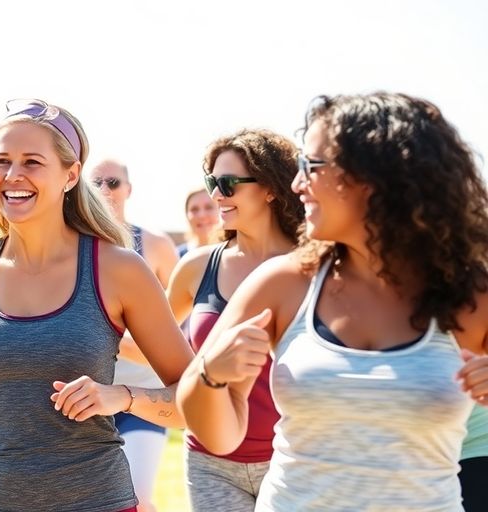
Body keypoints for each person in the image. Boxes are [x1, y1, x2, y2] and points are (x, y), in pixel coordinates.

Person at [176, 92, 488, 511]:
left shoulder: (467, 293)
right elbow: (218, 436)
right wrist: (212, 376)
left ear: (374, 176)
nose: (296, 183)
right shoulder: (283, 282)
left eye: (312, 166)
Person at [0, 99, 194, 512]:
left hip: (97, 502)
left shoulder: (118, 270)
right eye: (2, 161)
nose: (12, 176)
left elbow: (194, 400)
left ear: (71, 175)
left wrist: (123, 396)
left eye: (32, 162)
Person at [165, 129, 303, 511]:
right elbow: (151, 341)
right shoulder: (196, 267)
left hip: (293, 459)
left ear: (271, 188)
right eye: (212, 182)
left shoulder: (315, 268)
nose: (215, 195)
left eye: (227, 183)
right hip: (210, 461)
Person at [89, 158, 180, 512]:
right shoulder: (75, 247)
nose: (104, 191)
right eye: (95, 183)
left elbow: (177, 332)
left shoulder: (156, 246)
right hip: (85, 397)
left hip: (142, 397)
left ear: (129, 189)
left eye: (113, 182)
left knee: (137, 500)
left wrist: (118, 343)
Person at [177, 188, 218, 257]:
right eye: (194, 209)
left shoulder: (235, 255)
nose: (202, 215)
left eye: (208, 207)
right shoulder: (175, 256)